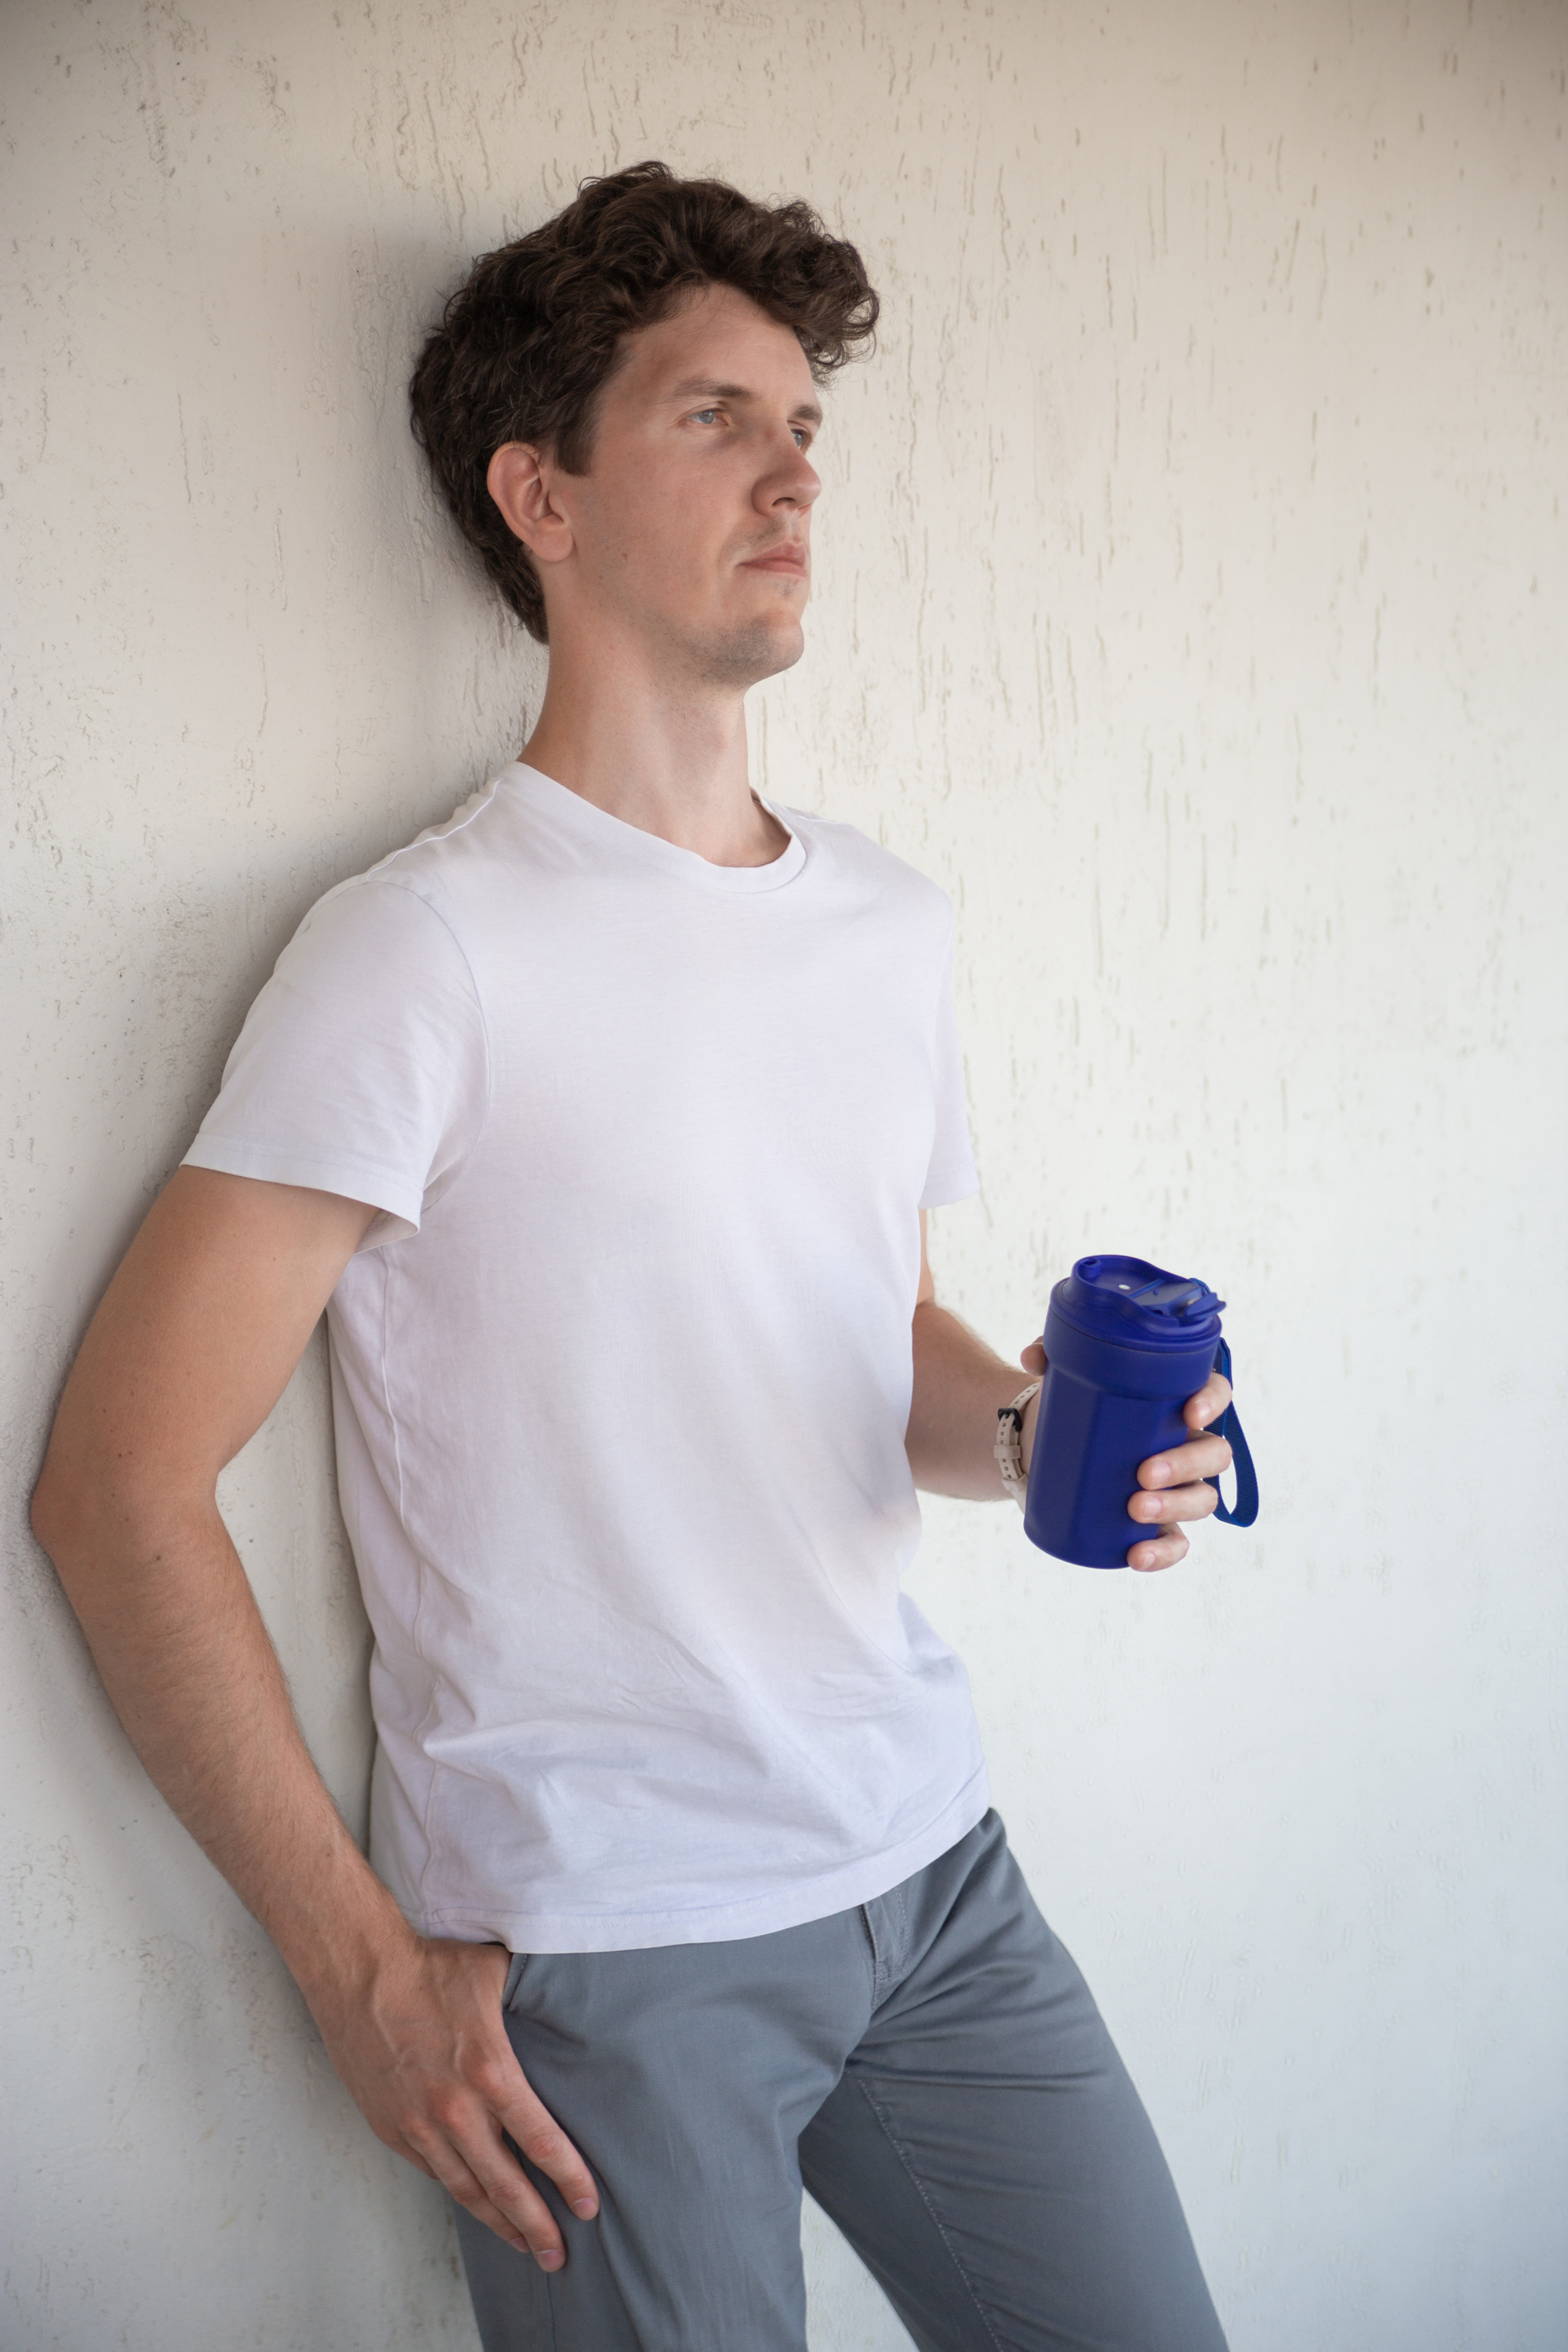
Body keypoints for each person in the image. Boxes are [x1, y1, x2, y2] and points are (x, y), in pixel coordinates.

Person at [31, 163, 1235, 2352]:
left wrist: (1038, 1427)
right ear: (542, 497)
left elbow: (870, 1339)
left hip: (934, 1873)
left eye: (805, 425)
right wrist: (358, 1970)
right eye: (713, 417)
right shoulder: (422, 953)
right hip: (615, 1951)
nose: (796, 473)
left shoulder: (888, 924)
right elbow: (117, 1483)